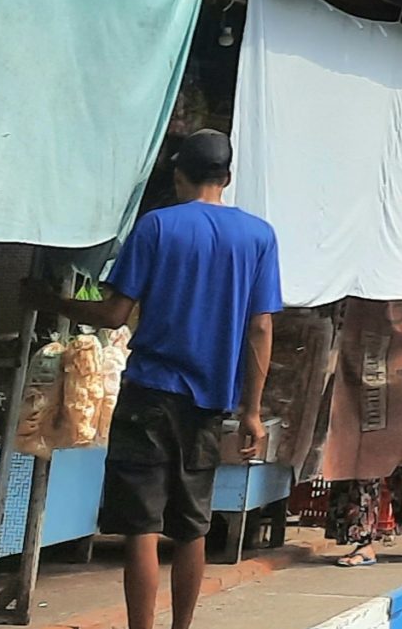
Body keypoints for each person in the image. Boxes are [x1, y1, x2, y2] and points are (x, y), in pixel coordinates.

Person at [28, 131, 280, 629]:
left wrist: (49, 300)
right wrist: (251, 409)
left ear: (178, 174)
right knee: (192, 528)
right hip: (208, 402)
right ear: (227, 179)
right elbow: (260, 326)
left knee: (141, 526)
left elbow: (116, 312)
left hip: (149, 392)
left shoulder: (157, 226)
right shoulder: (258, 236)